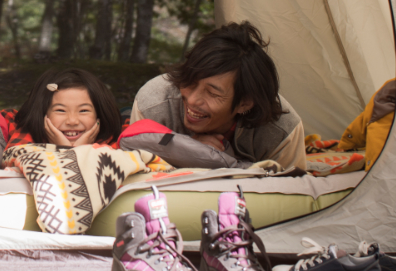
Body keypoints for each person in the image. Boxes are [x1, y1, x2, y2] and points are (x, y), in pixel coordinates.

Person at [130, 21, 307, 170]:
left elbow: (292, 195)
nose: (192, 100)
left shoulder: (282, 129)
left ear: (244, 103)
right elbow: (138, 178)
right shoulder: (153, 105)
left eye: (212, 93)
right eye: (190, 82)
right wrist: (184, 150)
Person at [7, 67, 124, 147]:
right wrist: (66, 150)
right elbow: (14, 160)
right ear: (42, 114)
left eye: (83, 110)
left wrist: (80, 151)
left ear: (99, 114)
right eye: (60, 110)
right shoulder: (28, 134)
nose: (72, 121)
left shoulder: (114, 141)